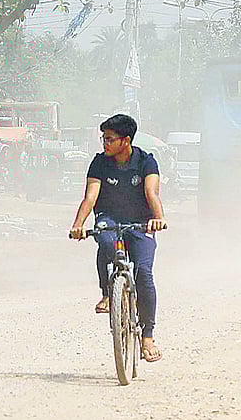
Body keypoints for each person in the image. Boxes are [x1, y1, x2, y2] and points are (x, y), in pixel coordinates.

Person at [69, 114, 168, 362]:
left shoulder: (146, 162)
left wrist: (158, 218)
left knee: (144, 273)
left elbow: (151, 192)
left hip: (141, 222)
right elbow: (90, 197)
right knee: (104, 240)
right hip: (109, 218)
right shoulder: (99, 163)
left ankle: (148, 337)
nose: (105, 143)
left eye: (109, 139)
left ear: (125, 141)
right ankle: (107, 292)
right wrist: (78, 225)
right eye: (103, 138)